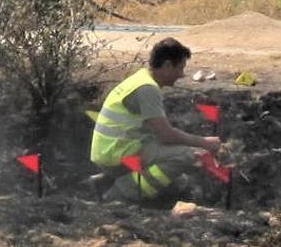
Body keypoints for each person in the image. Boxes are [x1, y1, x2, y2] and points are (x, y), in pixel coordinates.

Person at [89, 37, 222, 202]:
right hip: (117, 153)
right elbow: (165, 135)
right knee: (186, 157)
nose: (181, 75)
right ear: (167, 65)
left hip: (112, 150)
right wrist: (203, 142)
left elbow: (159, 132)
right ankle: (119, 194)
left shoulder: (140, 79)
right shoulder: (147, 89)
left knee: (177, 182)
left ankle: (104, 182)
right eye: (180, 68)